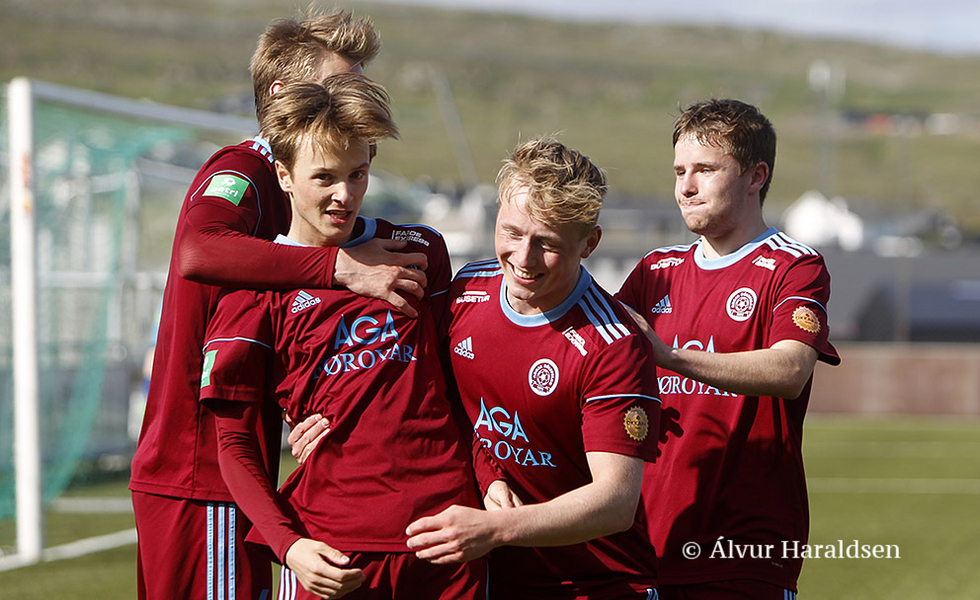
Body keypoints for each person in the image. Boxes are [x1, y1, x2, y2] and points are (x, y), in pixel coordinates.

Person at [129, 11, 428, 600]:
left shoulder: (322, 204)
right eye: (340, 84)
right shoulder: (243, 169)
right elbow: (198, 249)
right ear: (280, 93)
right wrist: (340, 268)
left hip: (236, 470)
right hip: (201, 470)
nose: (352, 101)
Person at [201, 74, 487, 600]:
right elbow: (234, 443)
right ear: (283, 175)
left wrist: (489, 483)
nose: (345, 195)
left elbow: (462, 381)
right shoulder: (252, 291)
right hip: (333, 547)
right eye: (325, 178)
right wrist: (289, 546)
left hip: (449, 535)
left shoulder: (418, 249)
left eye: (358, 174)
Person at [405, 136, 662, 600]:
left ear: (589, 243)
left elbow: (615, 503)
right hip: (496, 581)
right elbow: (441, 401)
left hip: (601, 585)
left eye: (547, 244)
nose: (523, 259)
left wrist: (497, 528)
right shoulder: (467, 290)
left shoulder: (614, 344)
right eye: (512, 232)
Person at [615, 99, 841, 600]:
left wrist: (669, 355)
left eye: (705, 169)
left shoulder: (794, 266)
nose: (686, 187)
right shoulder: (655, 269)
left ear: (756, 176)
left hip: (742, 555)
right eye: (679, 171)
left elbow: (790, 370)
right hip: (641, 545)